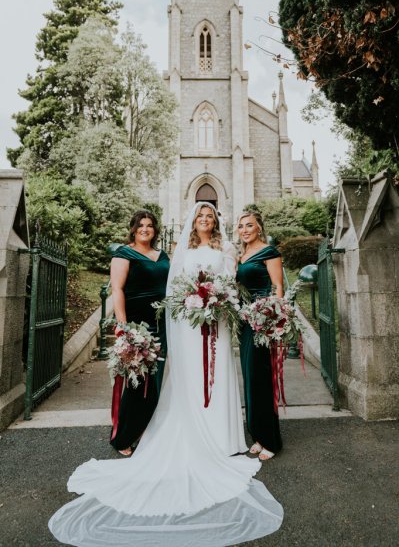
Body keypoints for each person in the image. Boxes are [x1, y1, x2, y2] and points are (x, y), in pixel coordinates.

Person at [48, 203, 283, 547]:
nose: (205, 220)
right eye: (200, 216)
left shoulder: (228, 249)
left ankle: (223, 436)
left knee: (220, 374)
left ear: (216, 221)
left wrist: (217, 303)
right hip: (188, 324)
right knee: (185, 378)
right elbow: (173, 289)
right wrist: (189, 307)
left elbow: (234, 286)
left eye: (210, 217)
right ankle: (147, 430)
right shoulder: (178, 250)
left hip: (216, 321)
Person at [109, 210, 169, 456]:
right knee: (137, 382)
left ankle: (143, 428)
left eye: (150, 225)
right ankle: (123, 437)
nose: (145, 229)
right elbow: (117, 290)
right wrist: (124, 328)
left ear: (155, 230)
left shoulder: (162, 255)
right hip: (137, 324)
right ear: (133, 229)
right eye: (141, 225)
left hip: (162, 323)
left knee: (155, 381)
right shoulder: (124, 254)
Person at [236, 210, 284, 461]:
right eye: (241, 226)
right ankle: (257, 433)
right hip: (245, 322)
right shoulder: (241, 256)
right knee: (250, 377)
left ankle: (271, 440)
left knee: (261, 378)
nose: (245, 230)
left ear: (259, 228)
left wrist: (269, 318)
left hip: (262, 321)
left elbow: (277, 288)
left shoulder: (269, 252)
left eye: (249, 226)